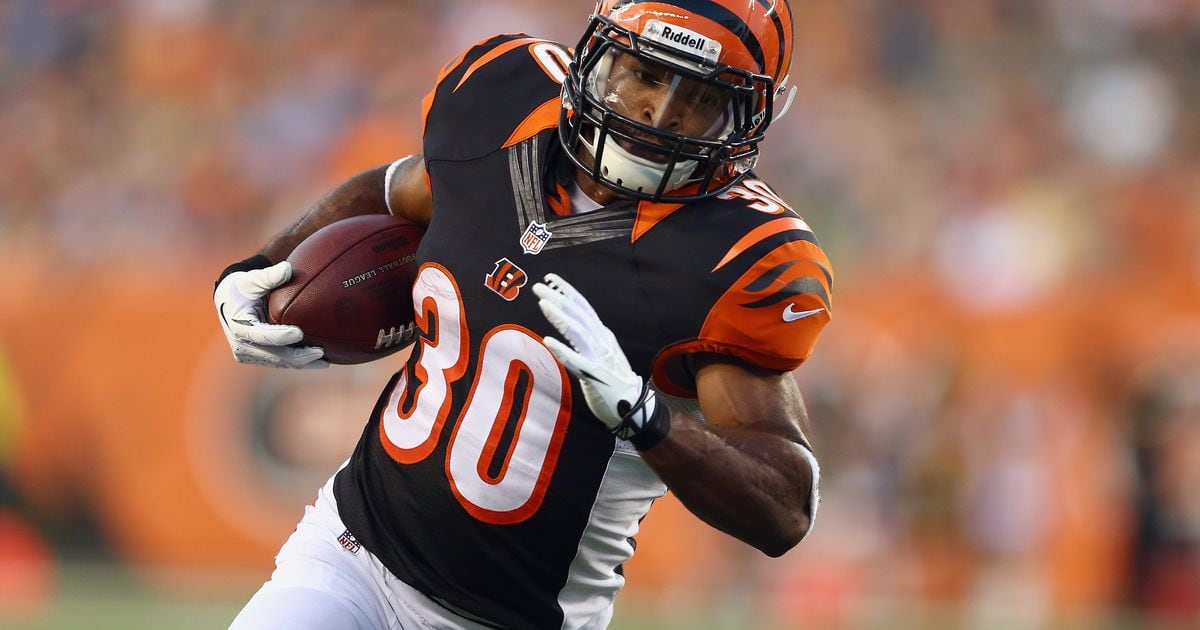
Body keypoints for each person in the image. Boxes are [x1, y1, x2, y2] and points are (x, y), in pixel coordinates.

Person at [214, 1, 831, 627]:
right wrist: (260, 268)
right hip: (352, 555)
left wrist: (647, 418)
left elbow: (785, 510)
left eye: (698, 97)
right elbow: (392, 188)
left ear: (747, 117)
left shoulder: (734, 257)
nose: (659, 111)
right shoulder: (505, 110)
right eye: (645, 74)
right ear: (598, 55)